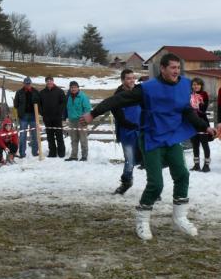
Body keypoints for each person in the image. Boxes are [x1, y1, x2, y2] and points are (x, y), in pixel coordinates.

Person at [82, 53, 218, 240]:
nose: (176, 71)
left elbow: (187, 110)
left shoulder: (184, 85)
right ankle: (142, 220)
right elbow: (118, 100)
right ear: (162, 69)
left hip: (171, 138)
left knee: (182, 175)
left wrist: (205, 126)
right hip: (152, 139)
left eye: (178, 68)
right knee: (156, 184)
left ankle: (180, 217)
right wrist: (93, 113)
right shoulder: (147, 89)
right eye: (172, 68)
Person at [109, 69, 142, 194]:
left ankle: (154, 188)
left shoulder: (139, 92)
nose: (132, 80)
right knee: (130, 159)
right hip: (127, 132)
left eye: (133, 77)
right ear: (122, 80)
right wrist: (132, 125)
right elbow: (119, 117)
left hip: (142, 131)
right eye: (128, 78)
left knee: (149, 160)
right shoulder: (118, 96)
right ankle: (126, 182)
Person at [39, 76, 67, 158]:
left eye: (50, 81)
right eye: (47, 81)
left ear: (53, 81)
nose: (49, 82)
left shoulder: (59, 91)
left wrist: (59, 111)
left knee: (59, 135)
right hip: (47, 118)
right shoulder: (42, 93)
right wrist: (42, 112)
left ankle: (61, 152)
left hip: (57, 117)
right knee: (50, 136)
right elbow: (39, 104)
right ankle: (52, 152)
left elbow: (64, 102)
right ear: (46, 82)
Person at [13, 77, 40, 158]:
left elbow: (39, 102)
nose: (27, 85)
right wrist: (19, 111)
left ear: (31, 83)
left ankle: (35, 152)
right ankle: (22, 153)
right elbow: (16, 104)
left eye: (29, 83)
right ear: (23, 84)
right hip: (23, 116)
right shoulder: (19, 92)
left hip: (33, 115)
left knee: (34, 134)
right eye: (26, 83)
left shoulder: (35, 91)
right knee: (22, 135)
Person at [189, 78, 212, 172]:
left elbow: (203, 109)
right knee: (195, 145)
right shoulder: (189, 95)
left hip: (202, 123)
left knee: (204, 144)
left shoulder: (204, 94)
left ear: (201, 85)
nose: (196, 86)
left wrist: (198, 101)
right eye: (194, 84)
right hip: (193, 123)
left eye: (198, 84)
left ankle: (206, 165)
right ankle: (196, 164)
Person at [65, 81, 91, 161]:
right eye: (72, 87)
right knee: (73, 139)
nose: (73, 89)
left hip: (81, 120)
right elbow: (67, 108)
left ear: (78, 88)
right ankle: (73, 156)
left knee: (83, 139)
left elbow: (87, 108)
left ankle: (84, 156)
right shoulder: (68, 97)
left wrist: (84, 118)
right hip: (72, 121)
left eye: (75, 87)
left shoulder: (83, 96)